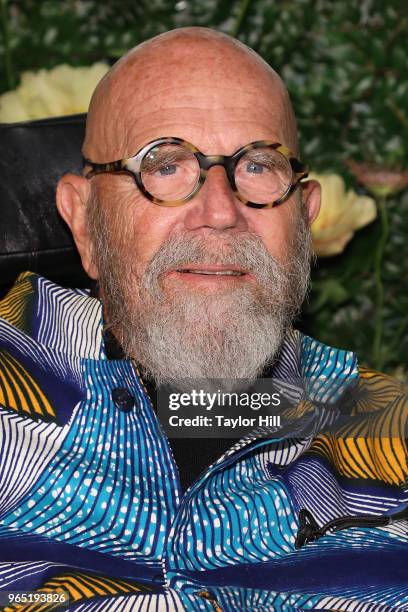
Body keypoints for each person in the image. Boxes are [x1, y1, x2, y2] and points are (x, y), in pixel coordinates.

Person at [0, 27, 406, 612]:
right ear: (84, 220)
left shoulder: (390, 445)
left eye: (258, 167)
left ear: (306, 220)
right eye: (164, 167)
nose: (220, 212)